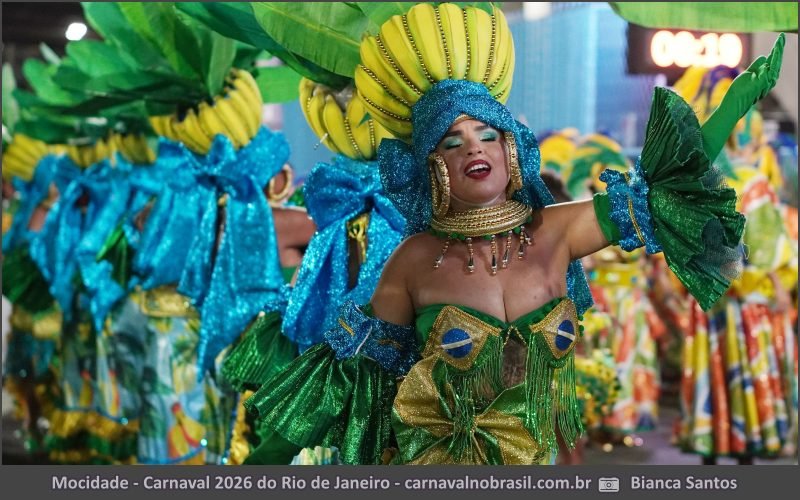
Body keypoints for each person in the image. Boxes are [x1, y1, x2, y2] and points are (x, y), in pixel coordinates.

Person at [244, 4, 784, 465]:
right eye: (453, 142)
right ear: (433, 167)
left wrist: (733, 105)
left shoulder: (556, 232)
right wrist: (257, 467)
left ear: (511, 151)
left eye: (487, 134)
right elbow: (346, 385)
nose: (474, 148)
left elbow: (666, 186)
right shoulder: (414, 260)